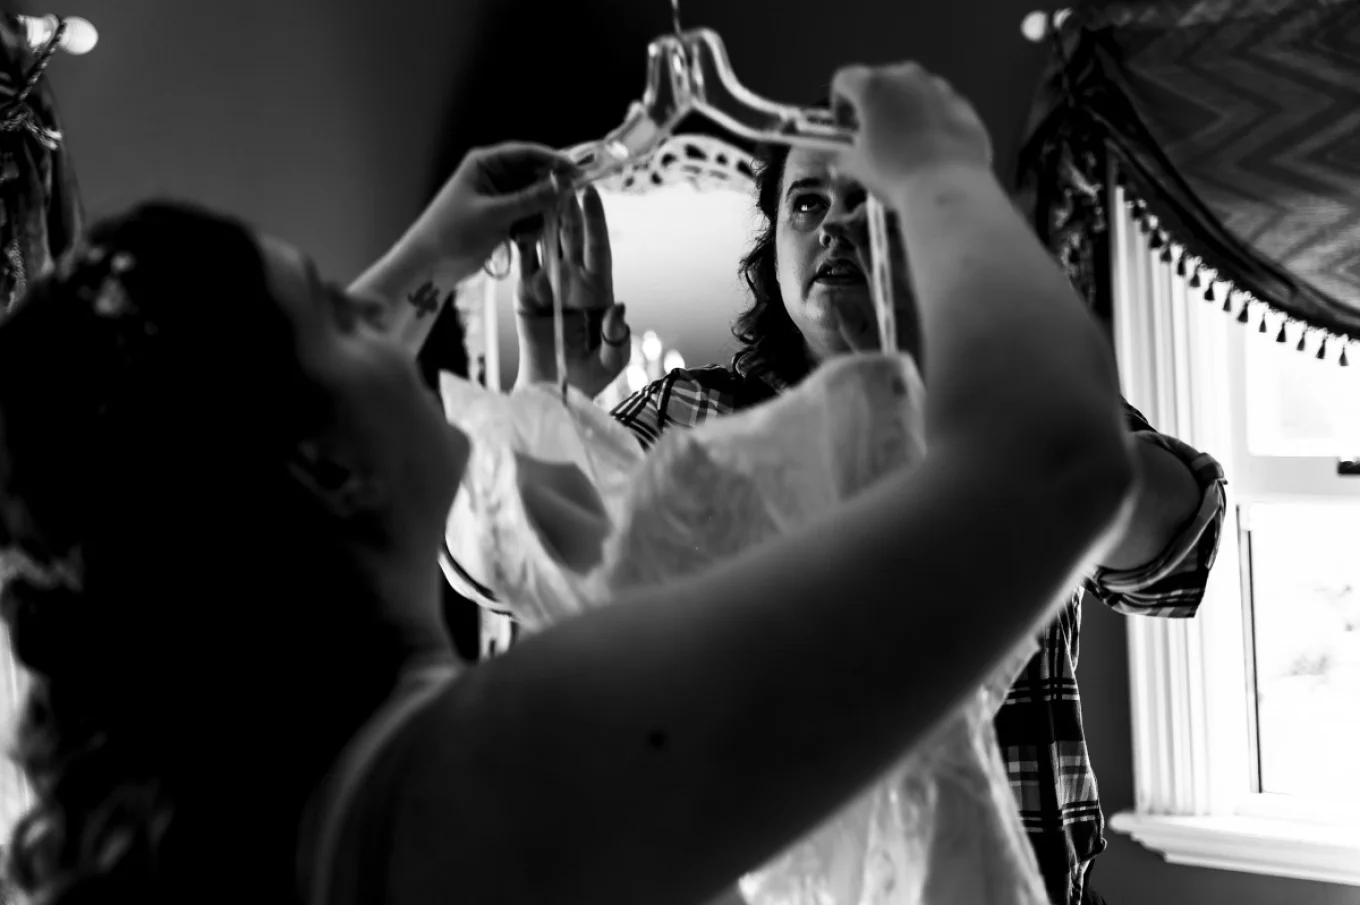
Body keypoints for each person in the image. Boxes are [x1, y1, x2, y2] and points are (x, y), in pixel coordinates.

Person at [0, 62, 1137, 905]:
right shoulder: (485, 767)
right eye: (343, 308)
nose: (391, 313)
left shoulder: (295, 788)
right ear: (326, 473)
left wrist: (433, 258)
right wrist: (940, 168)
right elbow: (1054, 462)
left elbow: (239, 455)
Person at [511, 91, 1229, 905]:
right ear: (772, 249)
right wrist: (552, 402)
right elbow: (524, 567)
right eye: (807, 202)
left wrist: (1002, 436)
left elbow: (1180, 552)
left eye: (869, 201)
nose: (835, 226)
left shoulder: (1021, 411)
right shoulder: (691, 420)